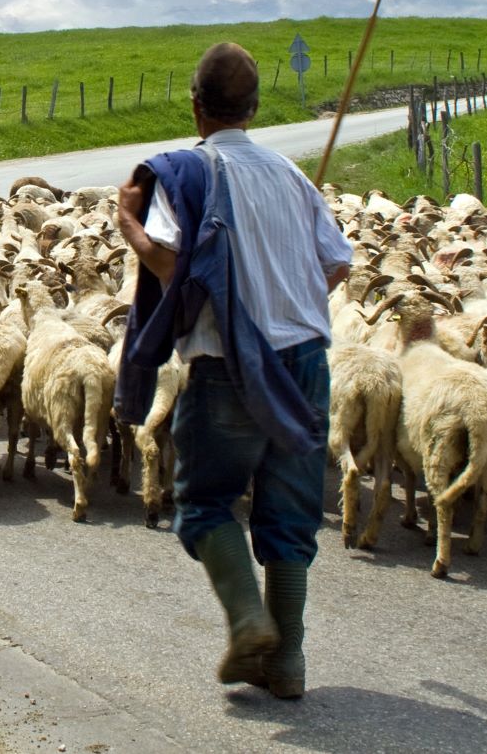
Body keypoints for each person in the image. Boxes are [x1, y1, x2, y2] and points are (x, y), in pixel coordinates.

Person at [114, 42, 352, 699]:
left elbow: (166, 262)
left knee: (205, 502)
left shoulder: (191, 175)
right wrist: (289, 303)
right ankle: (289, 662)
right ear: (252, 109)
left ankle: (250, 622)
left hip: (228, 363)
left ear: (196, 107)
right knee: (292, 513)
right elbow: (337, 262)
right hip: (304, 359)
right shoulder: (290, 175)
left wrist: (129, 217)